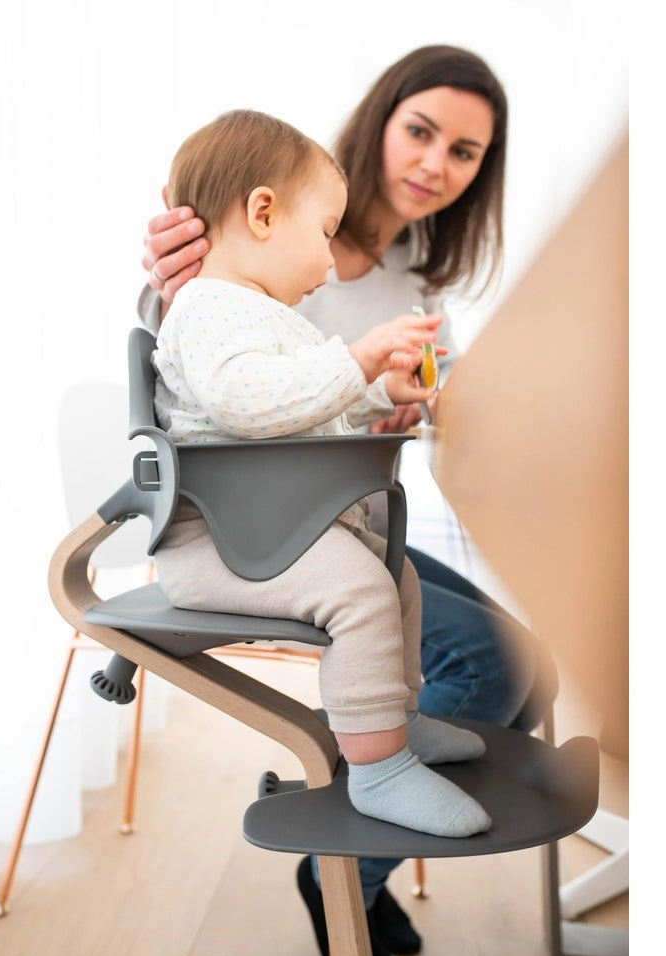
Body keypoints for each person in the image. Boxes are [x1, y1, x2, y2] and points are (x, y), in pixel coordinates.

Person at [139, 46, 559, 956]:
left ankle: (368, 832)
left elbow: (340, 398)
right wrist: (356, 361)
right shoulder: (241, 264)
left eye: (464, 152)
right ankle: (350, 858)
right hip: (262, 530)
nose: (436, 164)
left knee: (510, 654)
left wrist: (404, 402)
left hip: (327, 515)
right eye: (422, 131)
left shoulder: (410, 276)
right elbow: (222, 379)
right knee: (488, 659)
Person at [153, 107, 494, 846]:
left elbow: (300, 403)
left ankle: (395, 722)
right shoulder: (209, 306)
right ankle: (377, 769)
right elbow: (245, 403)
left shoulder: (263, 315)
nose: (330, 264)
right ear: (263, 214)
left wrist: (376, 390)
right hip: (222, 542)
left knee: (395, 578)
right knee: (363, 592)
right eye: (324, 234)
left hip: (273, 531)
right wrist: (359, 358)